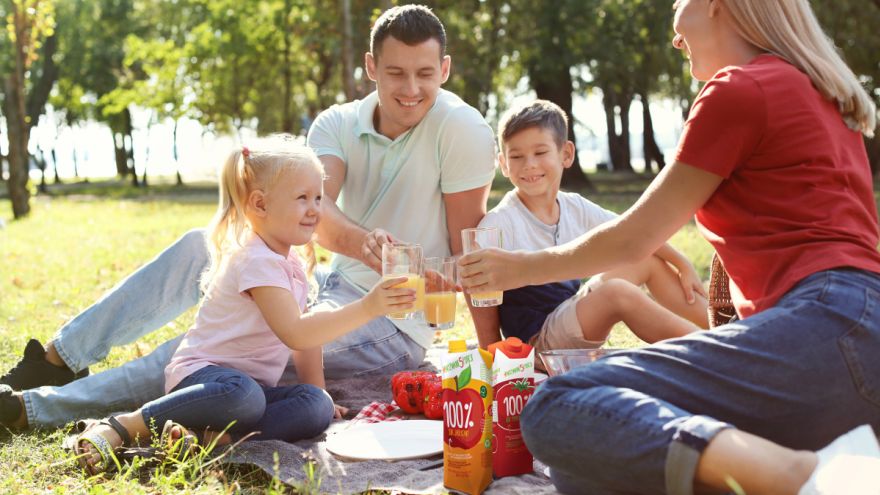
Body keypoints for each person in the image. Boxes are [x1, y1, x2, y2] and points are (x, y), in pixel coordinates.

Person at [0, 4, 496, 431]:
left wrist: (491, 356)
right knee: (203, 245)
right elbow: (316, 213)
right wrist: (367, 244)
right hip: (326, 281)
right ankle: (56, 359)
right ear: (371, 66)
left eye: (424, 74)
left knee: (211, 352)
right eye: (396, 73)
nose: (410, 89)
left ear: (445, 69)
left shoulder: (461, 129)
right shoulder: (337, 124)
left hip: (392, 318)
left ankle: (35, 408)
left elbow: (468, 248)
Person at [459, 0, 880, 493]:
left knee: (557, 403)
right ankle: (823, 460)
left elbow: (636, 237)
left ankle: (809, 478)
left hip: (828, 326)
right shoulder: (820, 91)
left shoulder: (740, 87)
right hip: (852, 344)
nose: (675, 37)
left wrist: (518, 269)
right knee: (584, 465)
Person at [73, 139, 418, 474]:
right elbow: (296, 333)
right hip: (204, 380)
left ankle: (214, 438)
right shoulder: (256, 260)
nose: (316, 208)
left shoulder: (289, 261)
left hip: (251, 389)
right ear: (260, 205)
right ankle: (127, 424)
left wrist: (320, 391)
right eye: (302, 198)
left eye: (318, 197)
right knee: (244, 396)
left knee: (315, 407)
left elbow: (308, 330)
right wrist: (369, 306)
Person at [471, 99, 708, 353]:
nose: (529, 164)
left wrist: (681, 262)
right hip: (537, 342)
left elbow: (630, 233)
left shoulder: (574, 207)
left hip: (568, 315)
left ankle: (722, 330)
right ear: (504, 164)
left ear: (566, 154)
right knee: (616, 292)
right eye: (516, 156)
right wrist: (493, 350)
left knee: (645, 259)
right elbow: (473, 281)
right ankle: (714, 350)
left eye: (540, 153)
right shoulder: (500, 222)